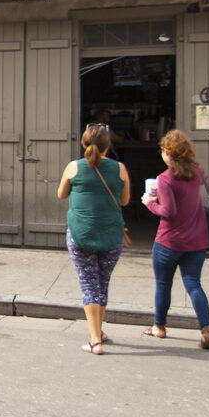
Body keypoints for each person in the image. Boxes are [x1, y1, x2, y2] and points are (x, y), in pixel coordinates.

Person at [57, 122, 130, 355]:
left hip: (81, 234)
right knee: (102, 282)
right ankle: (98, 331)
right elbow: (125, 201)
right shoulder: (119, 168)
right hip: (111, 234)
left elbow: (61, 195)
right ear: (109, 144)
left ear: (84, 142)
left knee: (89, 284)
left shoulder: (73, 167)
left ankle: (95, 340)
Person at [140, 130, 209, 350]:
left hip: (169, 241)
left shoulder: (165, 178)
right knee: (194, 284)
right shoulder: (198, 171)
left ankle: (159, 327)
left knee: (163, 284)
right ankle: (206, 330)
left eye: (163, 150)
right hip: (197, 241)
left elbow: (169, 211)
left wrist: (149, 202)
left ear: (168, 153)